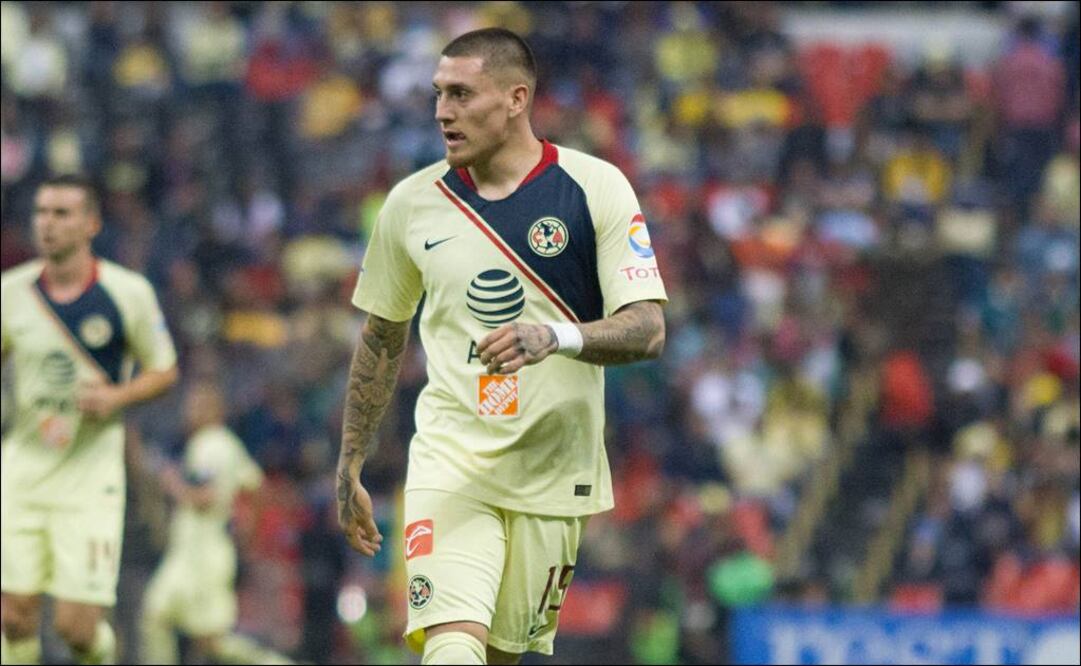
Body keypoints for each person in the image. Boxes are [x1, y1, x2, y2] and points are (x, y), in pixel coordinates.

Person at [336, 28, 667, 665]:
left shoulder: (594, 188)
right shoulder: (411, 205)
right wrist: (351, 462)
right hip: (451, 462)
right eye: (438, 94)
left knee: (496, 658)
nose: (441, 111)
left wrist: (556, 337)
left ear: (517, 98)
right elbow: (381, 339)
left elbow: (648, 328)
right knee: (451, 650)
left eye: (461, 94)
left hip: (555, 471)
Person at [1, 174, 179, 665]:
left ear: (91, 223)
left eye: (62, 214)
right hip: (22, 472)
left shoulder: (128, 292)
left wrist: (119, 396)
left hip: (90, 478)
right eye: (41, 212)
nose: (48, 224)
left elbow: (165, 369)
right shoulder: (11, 293)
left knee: (76, 630)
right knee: (13, 617)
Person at [140, 382, 292, 665]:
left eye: (196, 405)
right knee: (168, 621)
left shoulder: (209, 445)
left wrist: (170, 481)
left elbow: (204, 498)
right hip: (200, 552)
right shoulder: (228, 443)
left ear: (214, 410)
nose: (189, 411)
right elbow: (257, 488)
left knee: (203, 637)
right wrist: (250, 533)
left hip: (201, 555)